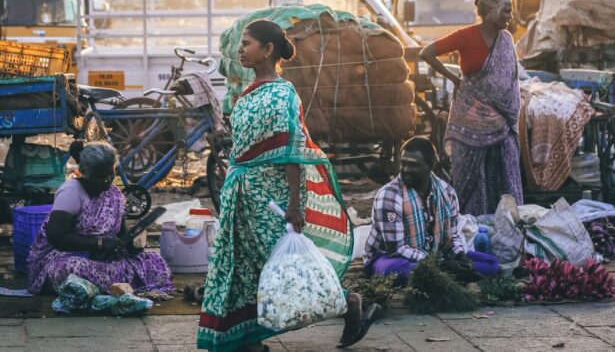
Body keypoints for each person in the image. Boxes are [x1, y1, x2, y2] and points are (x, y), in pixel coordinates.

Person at [196, 19, 381, 352]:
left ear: (268, 50)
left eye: (248, 43)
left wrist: (295, 205)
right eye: (241, 43)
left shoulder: (283, 94)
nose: (241, 49)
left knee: (285, 266)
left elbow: (292, 152)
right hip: (243, 195)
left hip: (274, 198)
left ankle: (347, 301)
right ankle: (246, 340)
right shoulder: (246, 92)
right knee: (241, 266)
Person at [419, 0, 523, 216]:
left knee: (503, 168)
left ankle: (506, 221)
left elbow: (510, 81)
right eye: (506, 11)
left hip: (502, 121)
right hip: (470, 118)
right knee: (472, 176)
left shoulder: (505, 40)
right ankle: (471, 222)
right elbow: (426, 53)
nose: (509, 17)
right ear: (489, 11)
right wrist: (453, 78)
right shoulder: (466, 36)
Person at [27, 141, 172, 294]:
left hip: (104, 257)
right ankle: (116, 284)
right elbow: (56, 237)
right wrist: (99, 244)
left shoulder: (115, 194)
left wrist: (132, 245)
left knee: (153, 261)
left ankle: (111, 285)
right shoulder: (70, 192)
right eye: (101, 176)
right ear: (86, 173)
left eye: (111, 174)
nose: (108, 180)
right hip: (66, 256)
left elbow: (121, 233)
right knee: (73, 269)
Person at [363, 137, 499, 285]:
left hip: (433, 255)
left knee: (491, 264)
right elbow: (396, 249)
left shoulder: (447, 192)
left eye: (413, 165)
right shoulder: (389, 196)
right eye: (403, 163)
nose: (405, 169)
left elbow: (452, 236)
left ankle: (443, 274)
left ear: (430, 165)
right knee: (395, 270)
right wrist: (440, 265)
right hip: (389, 258)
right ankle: (447, 273)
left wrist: (460, 256)